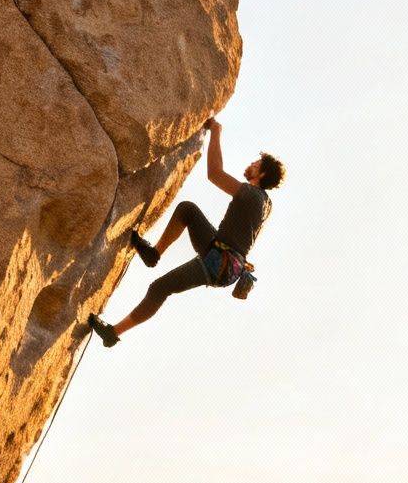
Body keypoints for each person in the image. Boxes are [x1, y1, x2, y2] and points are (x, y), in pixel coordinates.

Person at [86, 117, 283, 346]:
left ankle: (113, 333)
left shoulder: (251, 195)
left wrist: (216, 131)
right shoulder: (266, 203)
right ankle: (154, 254)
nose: (252, 164)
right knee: (187, 210)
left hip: (218, 261)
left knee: (159, 288)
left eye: (257, 164)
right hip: (223, 253)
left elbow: (215, 174)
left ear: (263, 174)